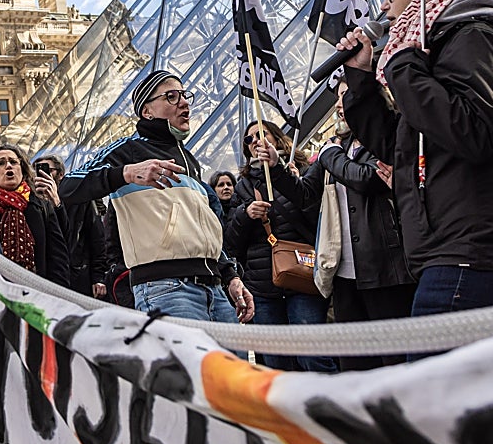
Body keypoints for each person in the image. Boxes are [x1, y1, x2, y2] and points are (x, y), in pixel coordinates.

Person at [336, 0, 493, 319]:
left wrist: (403, 63)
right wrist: (361, 81)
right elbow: (400, 148)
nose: (385, 7)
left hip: (478, 253)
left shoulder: (476, 35)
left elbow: (472, 131)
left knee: (433, 377)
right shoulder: (435, 48)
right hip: (456, 252)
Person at [60, 70, 255, 324]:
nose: (184, 102)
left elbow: (204, 228)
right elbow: (67, 187)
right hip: (166, 289)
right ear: (146, 111)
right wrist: (127, 173)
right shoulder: (127, 149)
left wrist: (231, 277)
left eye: (185, 96)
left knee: (230, 365)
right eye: (171, 97)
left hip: (216, 290)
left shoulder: (189, 160)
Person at [313, 80, 415, 369]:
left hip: (385, 266)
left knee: (393, 358)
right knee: (354, 362)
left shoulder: (385, 140)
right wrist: (275, 169)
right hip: (345, 273)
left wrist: (329, 156)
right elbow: (306, 195)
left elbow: (366, 179)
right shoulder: (340, 147)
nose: (337, 105)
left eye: (345, 95)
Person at [226, 121, 335, 372]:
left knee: (313, 355)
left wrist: (286, 177)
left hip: (302, 276)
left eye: (260, 134)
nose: (254, 141)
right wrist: (245, 213)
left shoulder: (303, 170)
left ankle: (330, 407)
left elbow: (317, 218)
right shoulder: (242, 187)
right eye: (249, 139)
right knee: (277, 364)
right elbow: (230, 242)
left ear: (276, 138)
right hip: (263, 286)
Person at [0, 143, 71, 286]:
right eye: (1, 163)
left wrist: (60, 295)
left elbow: (58, 255)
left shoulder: (40, 205)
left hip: (38, 292)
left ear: (23, 171)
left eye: (13, 162)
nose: (8, 166)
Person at [34, 154, 109, 298]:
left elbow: (97, 239)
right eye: (37, 171)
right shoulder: (31, 203)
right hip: (47, 279)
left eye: (48, 170)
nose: (43, 175)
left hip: (78, 276)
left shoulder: (80, 200)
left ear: (61, 174)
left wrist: (98, 277)